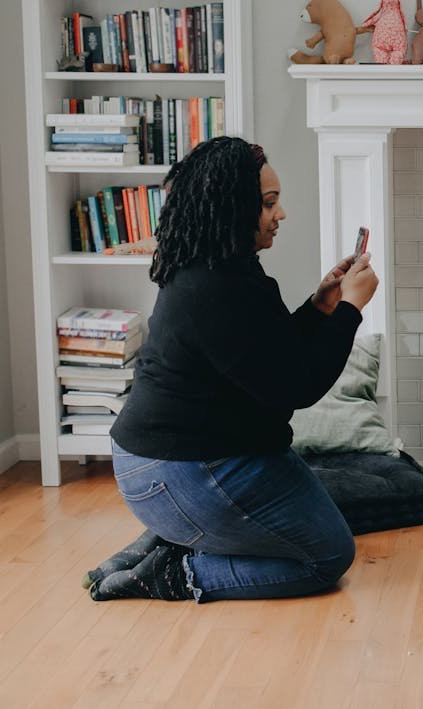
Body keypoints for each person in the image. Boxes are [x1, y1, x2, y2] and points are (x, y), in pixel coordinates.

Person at [85, 136, 379, 602]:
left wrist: (322, 305)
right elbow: (296, 386)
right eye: (268, 203)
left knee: (315, 517)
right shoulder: (220, 288)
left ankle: (176, 535)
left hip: (179, 461)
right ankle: (174, 570)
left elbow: (270, 353)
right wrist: (352, 311)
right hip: (176, 472)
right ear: (231, 207)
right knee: (326, 556)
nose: (280, 215)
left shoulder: (219, 270)